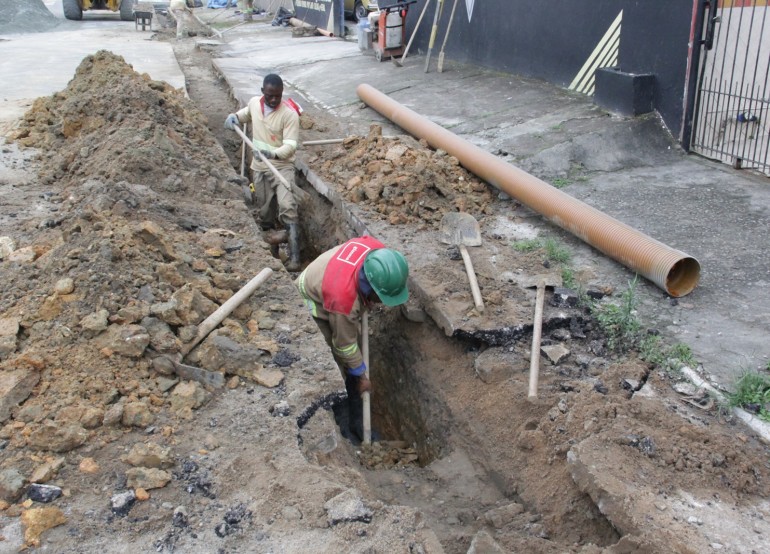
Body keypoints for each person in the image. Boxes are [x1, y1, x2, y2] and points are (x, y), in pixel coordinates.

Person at [295, 236, 409, 441]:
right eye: (381, 298)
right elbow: (344, 346)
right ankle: (344, 422)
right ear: (372, 288)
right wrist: (362, 377)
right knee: (334, 363)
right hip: (310, 300)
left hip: (332, 281)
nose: (382, 304)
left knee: (350, 350)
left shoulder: (378, 254)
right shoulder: (344, 301)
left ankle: (357, 420)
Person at [224, 74, 302, 271]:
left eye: (278, 96)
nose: (274, 100)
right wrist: (234, 117)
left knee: (287, 206)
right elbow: (243, 115)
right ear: (262, 92)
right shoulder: (253, 104)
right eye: (270, 96)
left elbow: (291, 146)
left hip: (282, 166)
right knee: (265, 211)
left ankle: (295, 259)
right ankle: (273, 253)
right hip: (259, 168)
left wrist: (272, 153)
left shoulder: (289, 114)